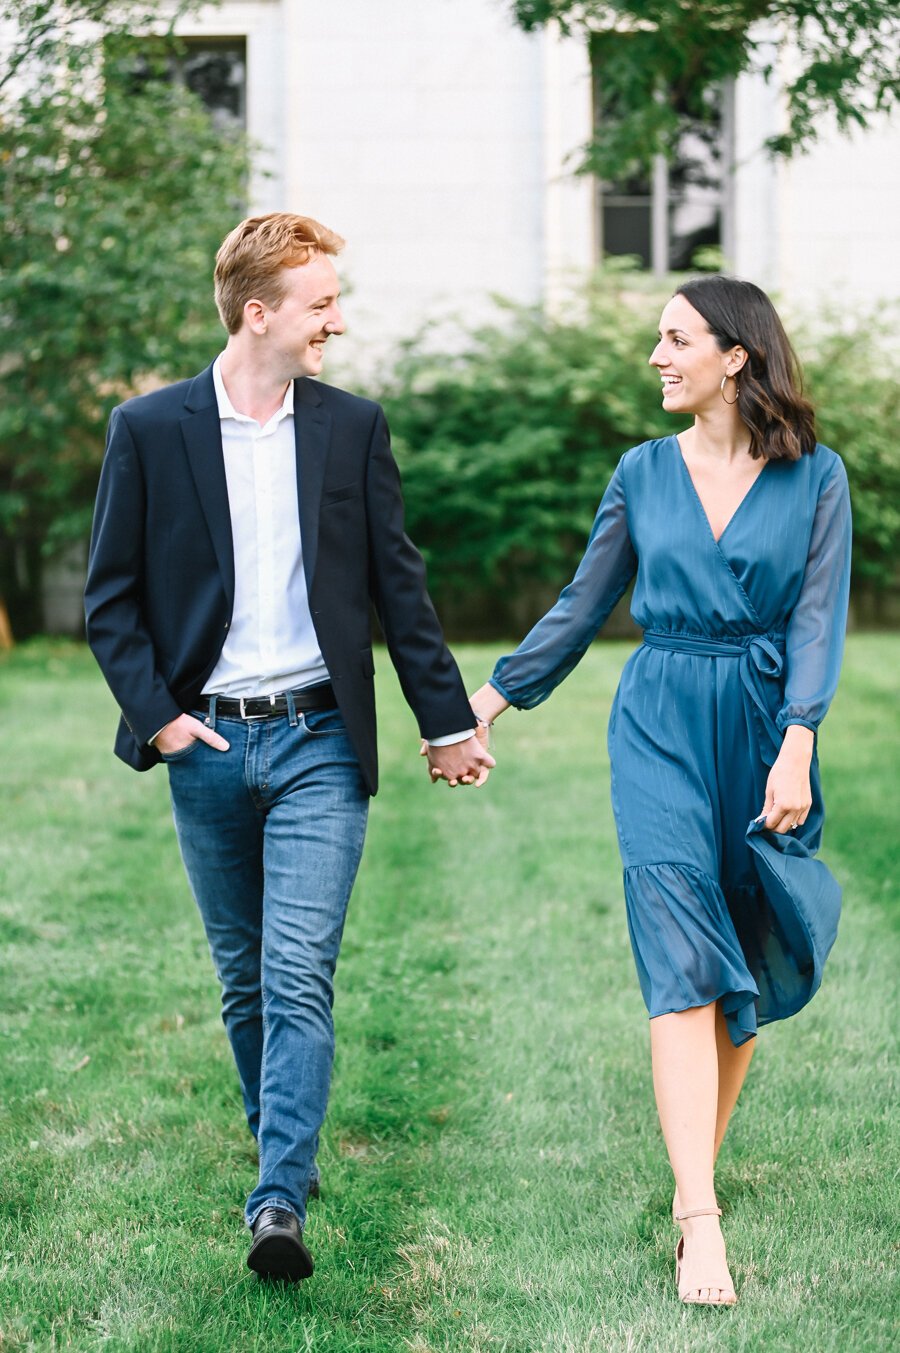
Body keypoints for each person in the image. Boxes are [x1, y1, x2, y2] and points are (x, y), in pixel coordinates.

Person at [84, 213, 494, 1282]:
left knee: (300, 971)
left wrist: (445, 721)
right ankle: (287, 1145)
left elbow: (396, 585)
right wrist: (165, 721)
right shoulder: (149, 430)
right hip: (209, 742)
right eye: (321, 306)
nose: (339, 323)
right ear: (258, 314)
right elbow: (110, 603)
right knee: (245, 979)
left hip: (319, 737)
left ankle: (277, 1203)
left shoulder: (350, 428)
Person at [461, 276, 851, 1306]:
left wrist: (799, 743)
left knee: (745, 963)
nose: (655, 356)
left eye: (675, 338)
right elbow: (581, 605)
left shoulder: (817, 479)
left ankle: (695, 1172)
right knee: (678, 940)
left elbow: (817, 621)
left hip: (766, 725)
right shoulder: (641, 472)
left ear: (736, 356)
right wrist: (487, 702)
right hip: (661, 722)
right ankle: (698, 1220)